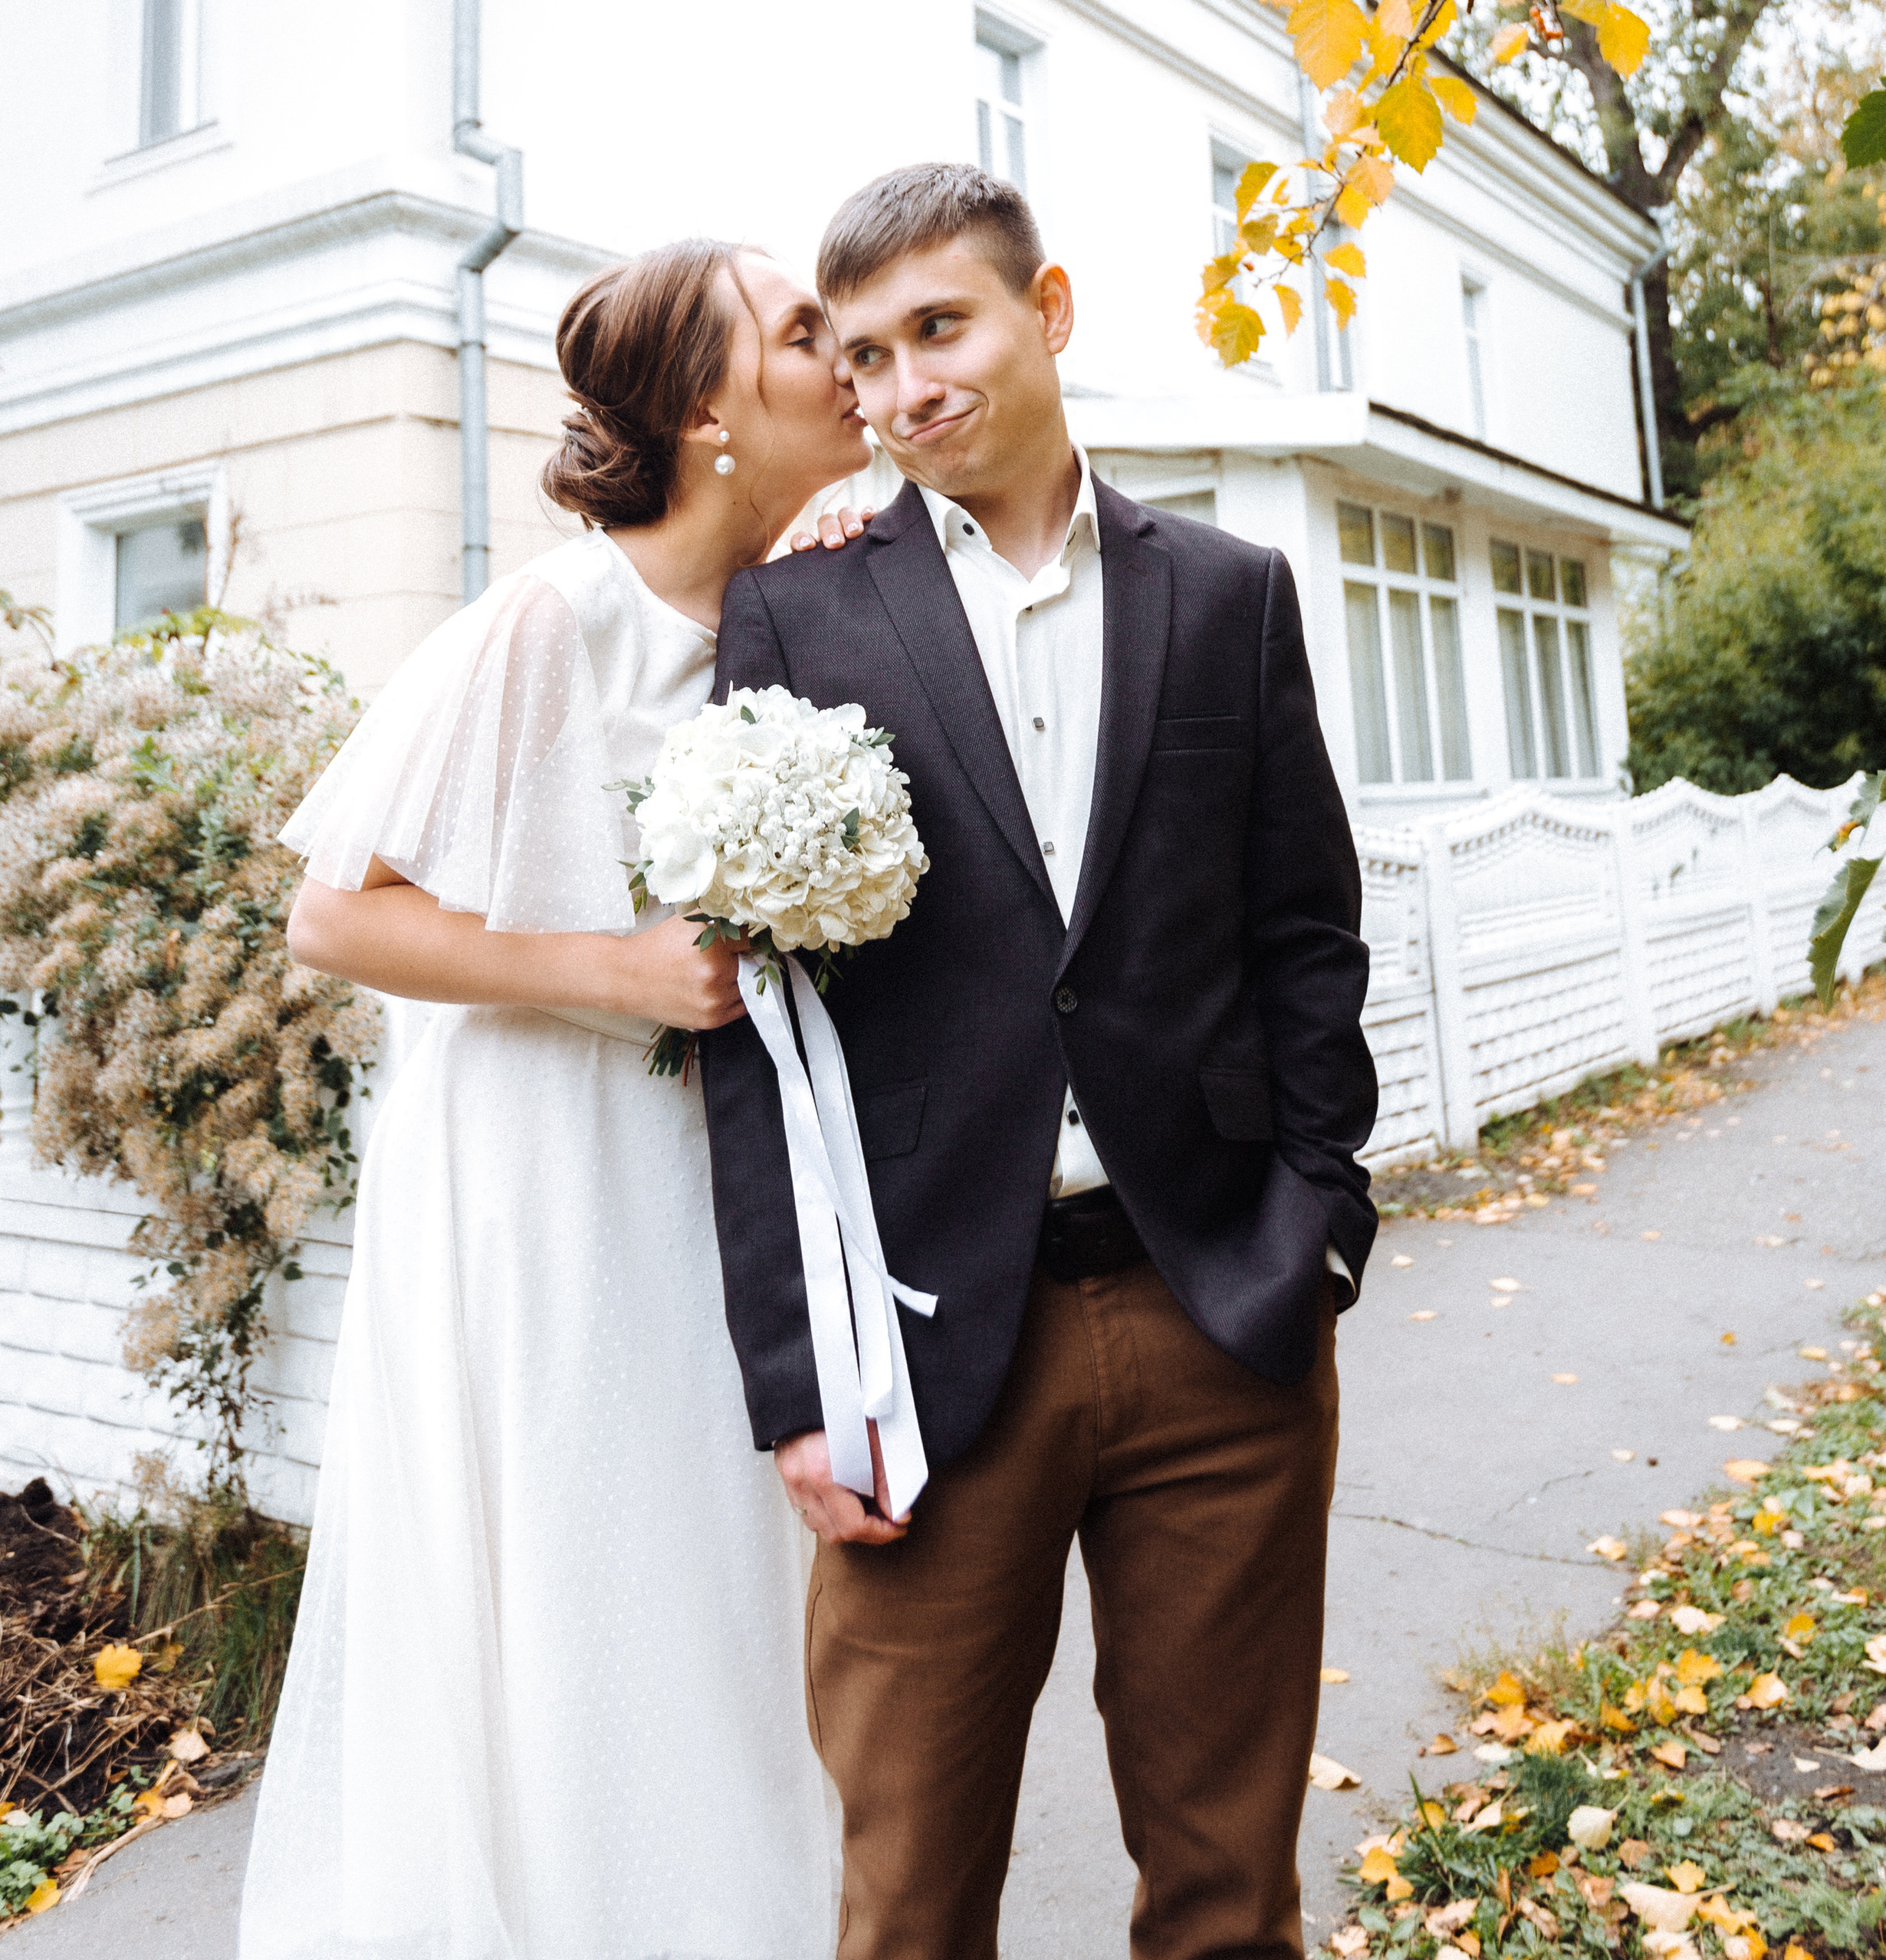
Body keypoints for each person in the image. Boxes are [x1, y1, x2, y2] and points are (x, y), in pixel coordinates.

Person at [699, 162, 1378, 1960]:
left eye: (942, 326)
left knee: (1227, 1889)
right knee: (909, 1901)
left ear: (1046, 311)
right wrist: (795, 1373)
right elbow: (763, 1032)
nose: (906, 386)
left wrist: (1316, 1223)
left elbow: (1303, 936)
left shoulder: (1229, 596)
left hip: (1214, 1309)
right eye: (862, 357)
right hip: (924, 1355)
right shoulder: (796, 616)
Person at [238, 241, 872, 1960]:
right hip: (544, 1177)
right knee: (592, 1574)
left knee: (716, 1603)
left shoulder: (788, 617)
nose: (847, 353)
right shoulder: (552, 617)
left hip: (701, 1184)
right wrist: (620, 978)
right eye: (804, 333)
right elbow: (333, 911)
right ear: (707, 411)